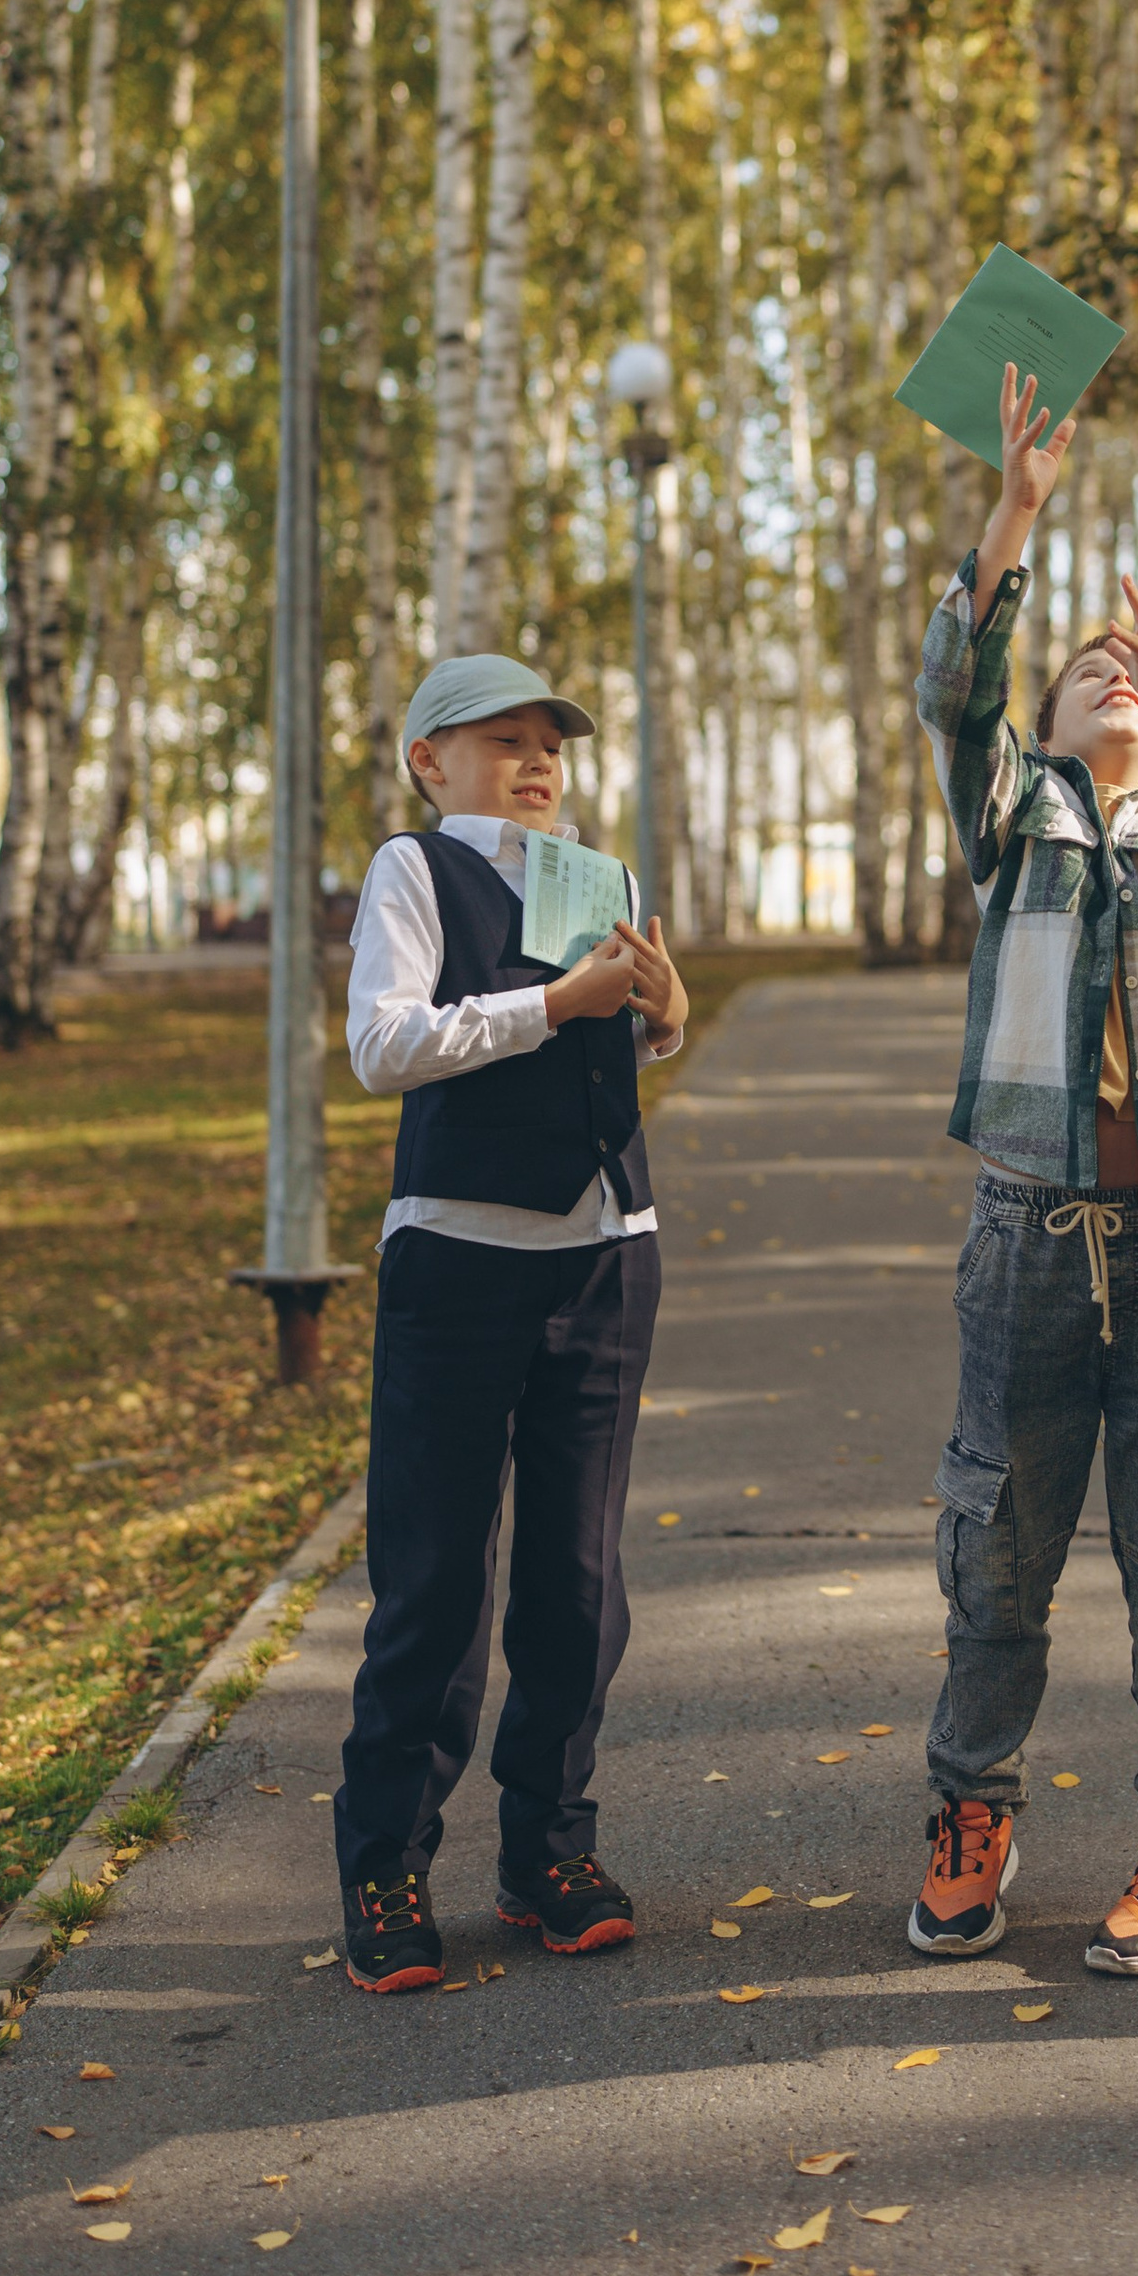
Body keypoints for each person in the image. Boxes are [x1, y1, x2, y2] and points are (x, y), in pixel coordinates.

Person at [908, 362, 1138, 1977]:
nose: (1111, 681)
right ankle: (968, 1811)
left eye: (1131, 675)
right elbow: (954, 698)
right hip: (1029, 1241)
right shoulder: (1020, 818)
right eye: (1089, 670)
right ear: (1053, 725)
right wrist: (1013, 518)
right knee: (999, 1535)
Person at [331, 654, 688, 1994]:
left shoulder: (600, 878)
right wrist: (557, 1003)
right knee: (432, 1583)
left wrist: (663, 1012)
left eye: (553, 744)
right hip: (461, 1259)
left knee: (578, 1585)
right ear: (431, 762)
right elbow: (384, 1046)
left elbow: (624, 1034)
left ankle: (550, 1847)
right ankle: (384, 1861)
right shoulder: (412, 873)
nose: (540, 763)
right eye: (505, 742)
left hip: (606, 1254)